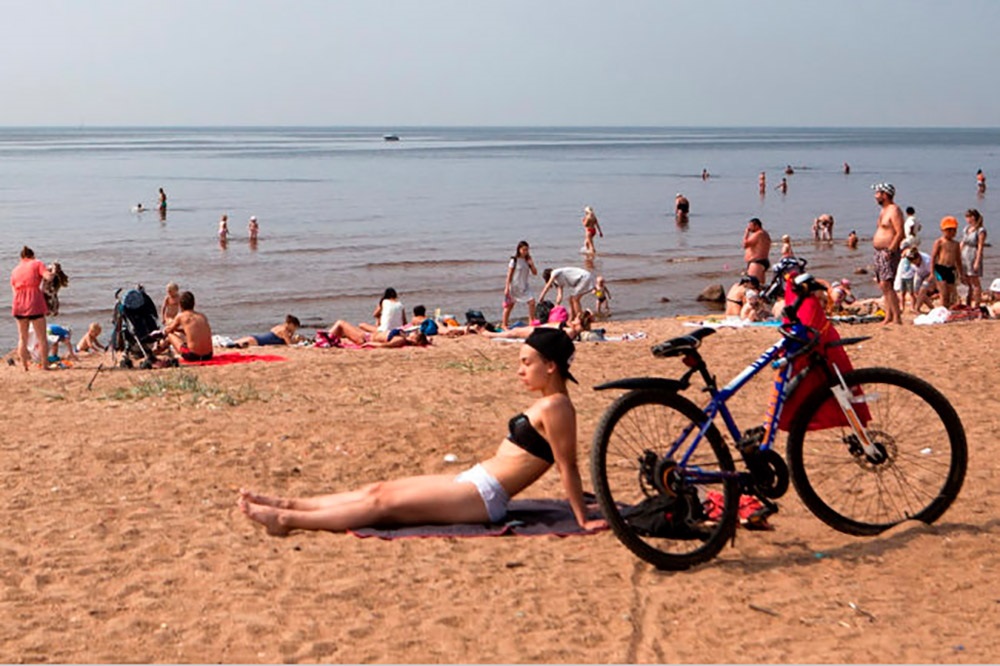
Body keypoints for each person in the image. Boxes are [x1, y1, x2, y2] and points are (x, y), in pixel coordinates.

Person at [238, 328, 605, 535]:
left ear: (551, 366)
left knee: (382, 506)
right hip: (474, 481)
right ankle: (288, 504)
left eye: (527, 363)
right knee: (377, 491)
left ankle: (287, 520)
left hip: (484, 498)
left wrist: (582, 519)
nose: (520, 371)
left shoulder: (558, 408)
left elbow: (567, 466)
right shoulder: (549, 403)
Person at [10, 246, 52, 371]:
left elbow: (14, 291)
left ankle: (25, 366)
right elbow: (47, 277)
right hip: (34, 302)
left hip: (19, 303)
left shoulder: (15, 270)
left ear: (21, 258)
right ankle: (45, 365)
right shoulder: (37, 263)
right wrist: (52, 272)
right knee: (42, 337)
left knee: (22, 337)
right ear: (32, 256)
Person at [871, 182, 905, 325]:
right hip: (879, 252)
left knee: (887, 283)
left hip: (888, 252)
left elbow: (900, 232)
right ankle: (889, 315)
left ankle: (897, 317)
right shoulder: (883, 210)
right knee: (882, 285)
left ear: (885, 195)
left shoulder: (894, 210)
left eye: (878, 193)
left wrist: (891, 250)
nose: (875, 196)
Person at [163, 291, 214, 361]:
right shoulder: (202, 316)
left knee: (169, 335)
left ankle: (158, 350)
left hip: (193, 356)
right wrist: (179, 330)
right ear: (194, 303)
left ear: (180, 305)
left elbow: (168, 330)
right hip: (208, 355)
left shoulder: (181, 316)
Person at [501, 240, 538, 329]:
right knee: (510, 305)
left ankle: (531, 322)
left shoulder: (528, 260)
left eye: (527, 250)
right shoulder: (514, 260)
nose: (525, 252)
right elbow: (509, 274)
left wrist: (531, 264)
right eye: (524, 250)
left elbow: (535, 273)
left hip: (524, 286)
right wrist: (507, 287)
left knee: (532, 302)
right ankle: (504, 324)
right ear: (519, 249)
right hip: (515, 286)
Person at [930, 216, 964, 309]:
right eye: (948, 230)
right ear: (943, 230)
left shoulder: (956, 244)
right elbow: (933, 257)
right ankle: (943, 308)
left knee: (951, 293)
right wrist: (932, 272)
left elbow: (958, 259)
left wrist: (961, 274)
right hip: (940, 268)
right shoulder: (939, 242)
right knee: (943, 292)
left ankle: (948, 309)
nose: (951, 233)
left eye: (953, 230)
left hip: (951, 269)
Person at [326, 319, 428, 348]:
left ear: (415, 340)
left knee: (341, 323)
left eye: (416, 334)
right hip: (367, 335)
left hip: (365, 339)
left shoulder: (400, 339)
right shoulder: (403, 336)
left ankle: (323, 340)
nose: (414, 332)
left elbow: (384, 345)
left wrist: (368, 344)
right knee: (342, 328)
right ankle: (326, 340)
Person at [960, 208, 987, 308]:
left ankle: (976, 304)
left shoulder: (980, 230)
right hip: (965, 254)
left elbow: (980, 246)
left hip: (973, 254)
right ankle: (968, 301)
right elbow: (962, 242)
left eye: (968, 217)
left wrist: (977, 260)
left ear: (973, 217)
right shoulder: (966, 229)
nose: (967, 219)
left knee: (974, 280)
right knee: (967, 280)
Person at [895, 247, 932, 314]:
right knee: (916, 291)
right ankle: (931, 307)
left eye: (914, 261)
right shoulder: (910, 257)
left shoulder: (927, 260)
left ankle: (917, 308)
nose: (913, 263)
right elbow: (907, 249)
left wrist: (927, 281)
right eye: (911, 262)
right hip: (919, 273)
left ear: (918, 258)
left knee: (923, 289)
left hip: (929, 274)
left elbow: (932, 272)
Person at [234, 315, 303, 348]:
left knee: (231, 343)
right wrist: (297, 340)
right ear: (291, 324)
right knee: (232, 345)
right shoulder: (284, 331)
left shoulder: (279, 327)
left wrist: (292, 334)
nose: (295, 329)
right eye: (295, 327)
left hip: (256, 338)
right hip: (257, 342)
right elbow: (289, 344)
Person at [742, 218, 772, 284]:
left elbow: (745, 244)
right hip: (761, 260)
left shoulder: (758, 234)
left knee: (752, 285)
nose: (749, 228)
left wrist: (746, 233)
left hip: (756, 262)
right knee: (760, 285)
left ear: (757, 226)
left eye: (750, 226)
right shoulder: (764, 234)